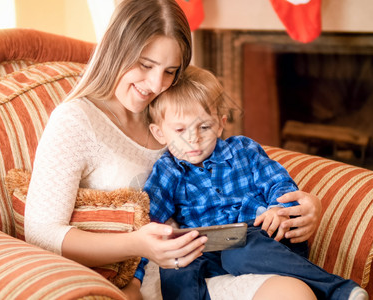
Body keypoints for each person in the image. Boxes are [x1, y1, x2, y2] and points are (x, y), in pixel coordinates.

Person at [24, 0, 323, 299]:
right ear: (117, 49)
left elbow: (235, 163)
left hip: (214, 264)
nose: (155, 84)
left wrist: (307, 206)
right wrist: (136, 245)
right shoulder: (76, 120)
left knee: (295, 294)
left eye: (170, 71)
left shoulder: (169, 109)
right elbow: (41, 233)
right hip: (149, 282)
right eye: (145, 65)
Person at [144, 65, 369, 300]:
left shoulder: (243, 150)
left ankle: (338, 290)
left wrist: (278, 209)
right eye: (180, 130)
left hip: (264, 238)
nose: (193, 139)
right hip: (210, 250)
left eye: (204, 127)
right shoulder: (167, 171)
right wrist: (137, 267)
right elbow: (146, 218)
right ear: (160, 133)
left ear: (220, 124)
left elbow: (278, 183)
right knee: (175, 265)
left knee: (238, 253)